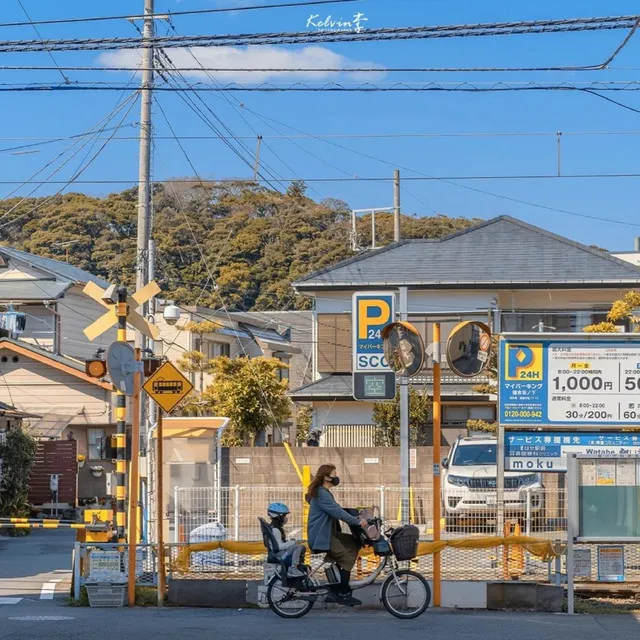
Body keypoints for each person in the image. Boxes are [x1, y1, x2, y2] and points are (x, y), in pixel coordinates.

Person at [306, 464, 368, 606]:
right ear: (327, 477)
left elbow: (338, 509)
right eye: (334, 474)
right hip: (322, 536)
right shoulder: (321, 493)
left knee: (353, 543)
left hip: (328, 533)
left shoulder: (324, 492)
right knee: (347, 557)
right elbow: (338, 512)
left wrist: (356, 516)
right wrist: (357, 522)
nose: (336, 477)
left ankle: (337, 583)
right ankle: (343, 593)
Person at [267, 502, 307, 578]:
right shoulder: (275, 530)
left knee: (298, 546)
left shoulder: (273, 527)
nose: (285, 518)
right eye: (284, 515)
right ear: (278, 516)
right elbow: (279, 547)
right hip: (280, 555)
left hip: (279, 553)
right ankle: (293, 569)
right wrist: (292, 543)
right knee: (299, 547)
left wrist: (291, 543)